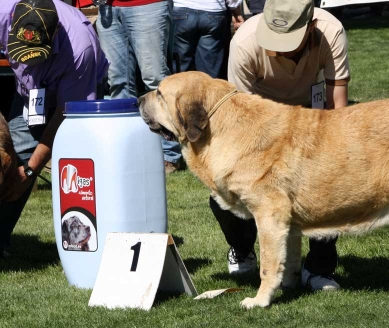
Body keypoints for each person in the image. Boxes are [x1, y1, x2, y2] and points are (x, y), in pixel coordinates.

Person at [215, 0, 350, 290]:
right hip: (257, 121)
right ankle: (242, 248)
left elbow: (339, 111)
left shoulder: (331, 31)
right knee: (231, 191)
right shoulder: (244, 44)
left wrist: (331, 155)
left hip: (311, 115)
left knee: (326, 181)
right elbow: (238, 117)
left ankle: (319, 268)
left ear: (311, 27)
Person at [0, 0, 109, 257]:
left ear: (56, 33)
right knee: (13, 160)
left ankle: (95, 241)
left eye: (36, 55)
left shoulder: (81, 48)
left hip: (74, 98)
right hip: (29, 94)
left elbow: (65, 114)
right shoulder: (3, 11)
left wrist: (30, 169)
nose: (29, 62)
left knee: (74, 166)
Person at [95, 0, 183, 173]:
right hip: (108, 8)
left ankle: (169, 155)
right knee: (117, 82)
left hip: (147, 5)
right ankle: (127, 151)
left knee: (155, 79)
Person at [171, 0, 244, 79]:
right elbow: (233, 2)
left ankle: (180, 88)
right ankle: (208, 88)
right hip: (213, 10)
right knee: (209, 66)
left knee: (180, 64)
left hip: (181, 9)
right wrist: (237, 13)